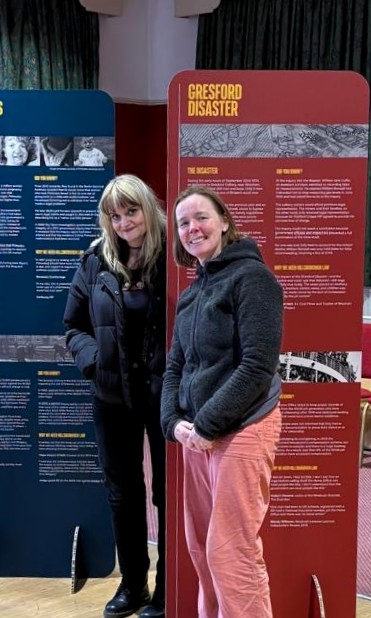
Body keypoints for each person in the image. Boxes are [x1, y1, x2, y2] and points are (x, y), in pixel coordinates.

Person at [161, 186, 283, 618]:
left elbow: (257, 366)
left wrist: (206, 425)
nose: (192, 228)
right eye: (183, 223)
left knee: (231, 552)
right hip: (197, 435)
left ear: (225, 221)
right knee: (201, 547)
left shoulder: (254, 279)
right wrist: (173, 421)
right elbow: (176, 365)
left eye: (202, 218)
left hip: (243, 429)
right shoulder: (193, 293)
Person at [64, 174, 168, 618]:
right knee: (122, 493)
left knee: (168, 494)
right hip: (112, 395)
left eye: (131, 210)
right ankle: (133, 585)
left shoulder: (176, 255)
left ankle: (168, 588)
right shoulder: (95, 260)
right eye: (114, 215)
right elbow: (73, 325)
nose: (124, 222)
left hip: (167, 397)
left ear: (147, 207)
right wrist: (94, 363)